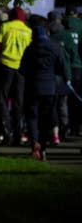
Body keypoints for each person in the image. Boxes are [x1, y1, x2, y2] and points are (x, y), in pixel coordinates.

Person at [19, 25, 66, 161]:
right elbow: (61, 66)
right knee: (45, 120)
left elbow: (22, 69)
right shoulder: (55, 47)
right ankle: (43, 148)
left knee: (32, 117)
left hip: (32, 88)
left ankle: (34, 143)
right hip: (49, 88)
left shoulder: (29, 49)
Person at [0, 6, 32, 145]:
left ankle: (6, 132)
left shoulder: (5, 26)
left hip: (5, 65)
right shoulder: (28, 30)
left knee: (1, 99)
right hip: (21, 69)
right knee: (18, 102)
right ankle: (18, 134)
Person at [47, 11, 75, 144]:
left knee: (52, 105)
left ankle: (54, 132)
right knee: (63, 105)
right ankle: (64, 130)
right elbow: (73, 54)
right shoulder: (67, 35)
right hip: (64, 74)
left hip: (50, 76)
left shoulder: (47, 36)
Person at [64, 5, 82, 136]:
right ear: (76, 13)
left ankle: (66, 127)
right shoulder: (80, 24)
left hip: (63, 66)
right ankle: (77, 127)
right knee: (77, 98)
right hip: (77, 66)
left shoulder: (62, 23)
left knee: (63, 100)